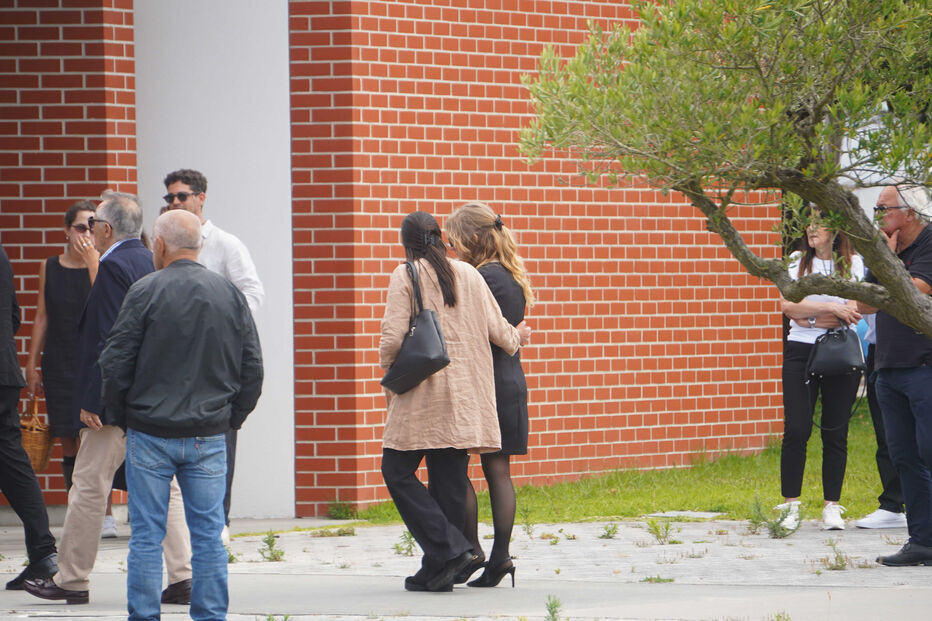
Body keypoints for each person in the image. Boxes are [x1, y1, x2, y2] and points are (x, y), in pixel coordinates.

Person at [24, 191, 193, 606]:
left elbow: (107, 339)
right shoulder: (151, 261)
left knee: (87, 485)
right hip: (154, 399)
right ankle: (183, 576)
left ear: (107, 229)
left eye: (94, 223)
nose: (91, 230)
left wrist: (94, 400)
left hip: (116, 403)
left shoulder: (114, 265)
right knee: (164, 487)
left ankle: (72, 579)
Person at [99, 209, 263, 620]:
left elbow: (115, 362)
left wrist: (123, 416)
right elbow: (252, 369)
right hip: (209, 433)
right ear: (200, 245)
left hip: (149, 431)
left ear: (159, 245)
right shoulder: (229, 294)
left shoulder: (144, 291)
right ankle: (209, 615)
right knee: (207, 536)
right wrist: (230, 418)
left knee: (147, 537)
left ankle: (143, 615)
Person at [379, 211, 531, 592]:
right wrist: (518, 338)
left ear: (408, 243)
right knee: (447, 481)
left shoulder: (407, 274)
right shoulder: (469, 274)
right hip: (467, 399)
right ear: (440, 239)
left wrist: (389, 384)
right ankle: (438, 569)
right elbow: (500, 332)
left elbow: (393, 340)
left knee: (396, 471)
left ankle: (450, 549)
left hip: (423, 396)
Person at [163, 168, 264, 543]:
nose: (175, 202)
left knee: (220, 436)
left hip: (216, 356)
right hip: (175, 360)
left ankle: (218, 521)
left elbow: (252, 294)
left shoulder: (225, 244)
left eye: (182, 196)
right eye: (170, 197)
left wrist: (221, 327)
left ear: (201, 198)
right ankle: (179, 526)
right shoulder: (165, 242)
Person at [444, 203, 534, 588]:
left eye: (455, 241)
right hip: (507, 382)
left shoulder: (483, 278)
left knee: (452, 464)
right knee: (497, 471)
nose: (452, 250)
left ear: (474, 238)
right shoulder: (509, 274)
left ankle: (473, 551)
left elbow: (470, 330)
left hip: (486, 386)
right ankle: (498, 558)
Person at [22, 201, 122, 539]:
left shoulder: (103, 264)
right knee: (67, 439)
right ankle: (76, 511)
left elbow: (104, 300)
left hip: (91, 359)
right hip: (60, 360)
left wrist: (94, 260)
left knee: (94, 436)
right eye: (80, 227)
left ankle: (105, 514)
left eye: (92, 226)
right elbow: (41, 316)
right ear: (67, 231)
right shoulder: (50, 266)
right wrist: (32, 364)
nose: (86, 233)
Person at [857, 184, 932, 566]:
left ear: (910, 213)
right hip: (887, 366)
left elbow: (917, 292)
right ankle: (923, 541)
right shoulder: (885, 251)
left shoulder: (930, 243)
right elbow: (863, 301)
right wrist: (885, 260)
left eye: (883, 207)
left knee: (929, 450)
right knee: (904, 456)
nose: (877, 215)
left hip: (925, 366)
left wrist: (887, 268)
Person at [776, 211, 863, 531]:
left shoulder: (852, 263)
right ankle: (790, 505)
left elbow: (852, 312)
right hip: (800, 352)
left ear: (835, 229)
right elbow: (788, 307)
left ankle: (832, 506)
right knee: (797, 429)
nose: (811, 229)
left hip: (839, 351)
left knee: (835, 431)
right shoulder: (797, 260)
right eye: (808, 222)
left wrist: (809, 315)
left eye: (820, 224)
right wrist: (829, 308)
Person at [0, 242, 59, 590]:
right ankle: (42, 554)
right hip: (4, 373)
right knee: (12, 463)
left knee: (12, 463)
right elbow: (14, 315)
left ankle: (43, 554)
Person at [852, 312, 907, 529]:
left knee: (922, 435)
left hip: (918, 350)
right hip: (881, 349)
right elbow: (864, 302)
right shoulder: (877, 276)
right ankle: (892, 505)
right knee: (887, 434)